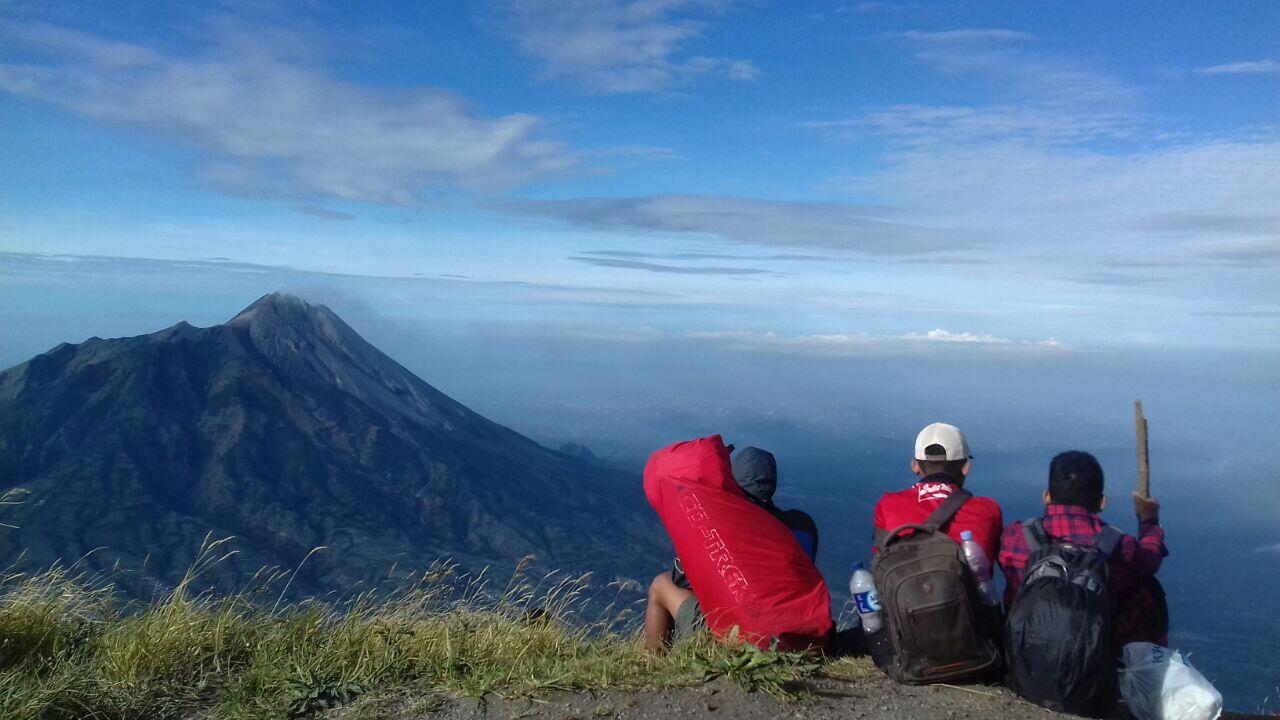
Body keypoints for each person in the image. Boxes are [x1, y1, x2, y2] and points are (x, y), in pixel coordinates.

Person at [644, 445, 819, 653]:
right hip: (796, 632)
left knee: (661, 584)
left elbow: (680, 578)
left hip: (740, 634)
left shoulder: (727, 526)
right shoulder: (803, 526)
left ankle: (655, 663)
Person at [998, 450, 1169, 647]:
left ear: (1046, 496)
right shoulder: (1121, 546)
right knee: (1148, 586)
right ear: (1102, 502)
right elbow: (1151, 558)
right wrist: (1150, 521)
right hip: (1092, 660)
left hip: (1024, 653)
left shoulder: (1014, 537)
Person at [873, 422, 1003, 559]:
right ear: (966, 467)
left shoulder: (889, 504)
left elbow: (879, 556)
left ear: (915, 466)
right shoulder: (988, 510)